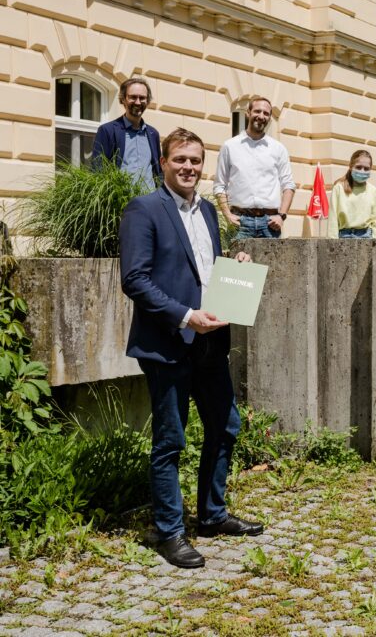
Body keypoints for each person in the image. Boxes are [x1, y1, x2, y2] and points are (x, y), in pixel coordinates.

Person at [120, 128, 263, 569]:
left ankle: (213, 515)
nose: (188, 167)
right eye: (180, 159)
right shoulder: (144, 209)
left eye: (196, 160)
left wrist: (233, 266)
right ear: (163, 162)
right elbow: (135, 280)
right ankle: (169, 532)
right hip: (168, 343)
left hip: (211, 342)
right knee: (171, 441)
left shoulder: (205, 212)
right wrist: (186, 316)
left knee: (225, 427)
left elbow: (204, 272)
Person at [213, 97, 296, 239]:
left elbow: (288, 185)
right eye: (257, 111)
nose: (261, 116)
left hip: (270, 223)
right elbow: (219, 186)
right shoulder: (230, 146)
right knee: (236, 262)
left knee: (271, 262)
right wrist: (228, 215)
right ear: (248, 113)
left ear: (269, 118)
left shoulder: (278, 148)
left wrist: (281, 216)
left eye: (266, 113)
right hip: (240, 222)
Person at [91, 77, 161, 189]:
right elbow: (98, 170)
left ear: (147, 101)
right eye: (133, 97)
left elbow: (158, 172)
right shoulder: (107, 130)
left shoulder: (153, 134)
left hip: (150, 202)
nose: (138, 102)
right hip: (121, 202)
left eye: (142, 98)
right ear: (123, 99)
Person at [328, 150, 376, 238]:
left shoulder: (372, 190)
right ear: (351, 167)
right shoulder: (339, 188)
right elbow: (333, 218)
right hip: (344, 236)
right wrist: (331, 242)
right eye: (358, 167)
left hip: (366, 236)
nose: (362, 171)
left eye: (366, 168)